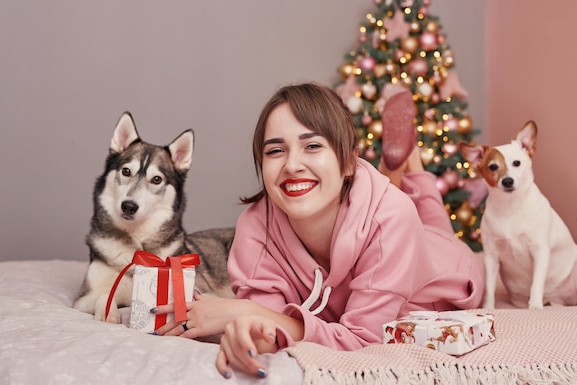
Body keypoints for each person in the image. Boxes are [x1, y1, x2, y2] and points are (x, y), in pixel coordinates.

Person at [152, 82, 484, 379]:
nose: (292, 164)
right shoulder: (255, 227)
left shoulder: (392, 219)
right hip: (388, 226)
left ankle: (408, 164)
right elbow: (268, 327)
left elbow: (362, 340)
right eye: (275, 150)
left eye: (312, 146)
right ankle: (399, 166)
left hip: (443, 264)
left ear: (350, 161)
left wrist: (247, 311)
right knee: (407, 213)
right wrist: (244, 330)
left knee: (432, 227)